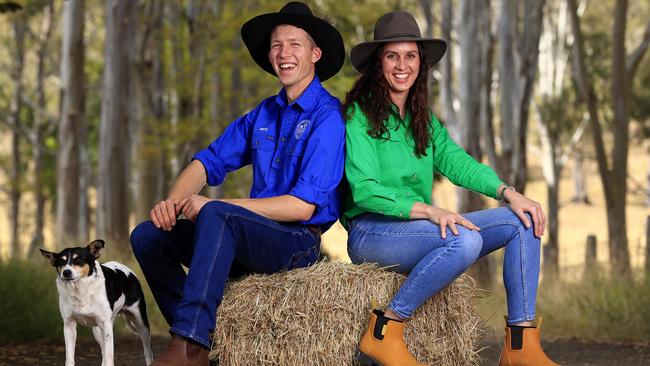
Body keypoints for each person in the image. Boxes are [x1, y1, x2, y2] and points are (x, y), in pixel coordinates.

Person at [130, 2, 345, 365]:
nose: (284, 53)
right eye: (277, 45)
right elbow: (208, 161)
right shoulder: (263, 113)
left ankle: (190, 344)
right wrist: (173, 201)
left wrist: (218, 206)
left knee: (218, 213)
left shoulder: (329, 118)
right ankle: (202, 335)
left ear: (315, 54)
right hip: (246, 237)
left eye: (295, 44)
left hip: (294, 244)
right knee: (147, 236)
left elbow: (302, 207)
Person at [342, 11, 558, 366]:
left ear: (420, 63)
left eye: (410, 56)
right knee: (465, 238)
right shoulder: (359, 116)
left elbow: (458, 163)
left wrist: (508, 192)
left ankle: (520, 346)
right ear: (377, 63)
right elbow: (364, 190)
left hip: (418, 231)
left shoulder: (422, 118)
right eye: (392, 56)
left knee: (522, 222)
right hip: (371, 231)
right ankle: (386, 329)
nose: (402, 65)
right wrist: (429, 210)